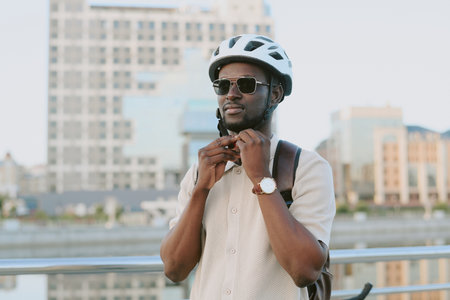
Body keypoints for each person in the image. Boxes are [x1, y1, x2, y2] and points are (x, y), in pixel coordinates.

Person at [160, 34, 336, 300]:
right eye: (222, 85)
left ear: (275, 94)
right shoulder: (199, 171)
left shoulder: (307, 167)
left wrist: (261, 177)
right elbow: (175, 269)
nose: (232, 94)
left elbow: (305, 270)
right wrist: (201, 190)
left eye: (246, 84)